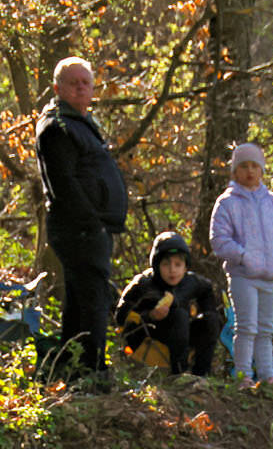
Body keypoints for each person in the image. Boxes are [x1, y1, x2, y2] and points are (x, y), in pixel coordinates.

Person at [34, 56, 128, 383]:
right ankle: (92, 371)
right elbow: (63, 183)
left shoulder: (81, 124)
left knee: (80, 300)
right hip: (80, 230)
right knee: (93, 300)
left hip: (93, 228)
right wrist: (92, 223)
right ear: (57, 87)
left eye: (86, 83)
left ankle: (73, 370)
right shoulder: (57, 126)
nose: (80, 88)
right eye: (73, 83)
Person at [209, 141, 273, 384]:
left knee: (266, 329)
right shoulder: (227, 203)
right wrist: (243, 256)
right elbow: (219, 240)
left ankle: (268, 377)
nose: (249, 171)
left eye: (254, 166)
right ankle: (243, 376)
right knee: (246, 327)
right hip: (242, 277)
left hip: (270, 277)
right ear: (235, 171)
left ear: (262, 170)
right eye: (244, 166)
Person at [115, 231, 221, 376]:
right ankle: (179, 375)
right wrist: (150, 316)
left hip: (180, 338)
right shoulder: (143, 284)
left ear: (185, 267)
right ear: (156, 266)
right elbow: (120, 317)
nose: (172, 270)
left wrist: (206, 313)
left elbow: (207, 291)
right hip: (146, 342)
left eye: (178, 264)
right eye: (166, 264)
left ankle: (200, 375)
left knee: (211, 320)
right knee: (179, 315)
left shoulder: (192, 282)